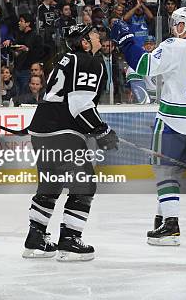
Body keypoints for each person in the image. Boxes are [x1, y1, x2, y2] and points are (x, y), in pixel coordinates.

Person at [111, 6, 186, 246]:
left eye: (177, 23)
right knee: (171, 172)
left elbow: (144, 65)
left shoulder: (172, 46)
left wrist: (126, 41)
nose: (174, 27)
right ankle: (162, 216)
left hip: (172, 120)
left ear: (182, 26)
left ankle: (171, 226)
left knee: (164, 171)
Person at [24, 23, 118, 261]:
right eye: (94, 34)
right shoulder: (88, 61)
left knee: (51, 186)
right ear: (85, 42)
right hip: (63, 132)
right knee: (84, 185)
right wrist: (102, 130)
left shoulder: (66, 59)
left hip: (42, 132)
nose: (98, 36)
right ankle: (69, 241)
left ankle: (36, 240)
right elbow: (80, 104)